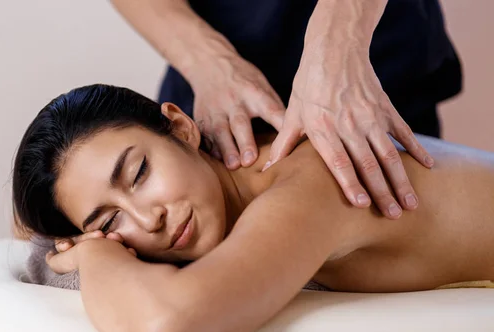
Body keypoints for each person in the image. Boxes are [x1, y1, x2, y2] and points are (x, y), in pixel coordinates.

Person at [12, 84, 493, 332]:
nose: (147, 219)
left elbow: (166, 329)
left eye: (139, 174)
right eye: (110, 220)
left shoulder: (317, 178)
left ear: (181, 128)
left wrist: (96, 253)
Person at [111, 0, 463, 220]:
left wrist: (338, 46)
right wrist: (209, 62)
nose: (149, 220)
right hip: (216, 94)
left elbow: (171, 326)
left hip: (370, 64)